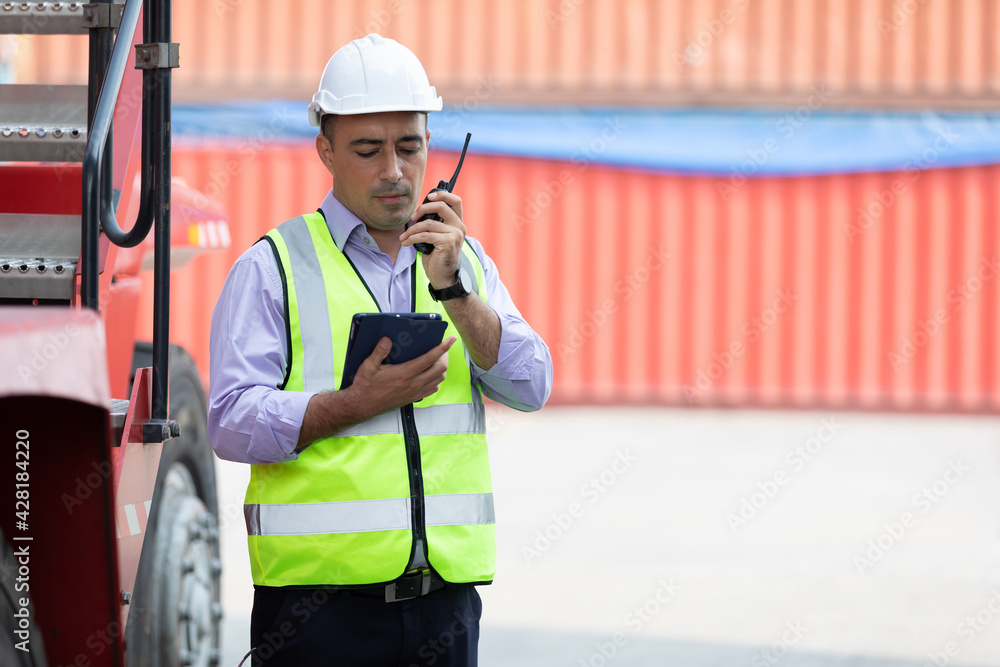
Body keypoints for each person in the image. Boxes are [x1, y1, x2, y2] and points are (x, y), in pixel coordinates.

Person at [208, 33, 553, 666]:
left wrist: (453, 290)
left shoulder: (463, 263)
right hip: (317, 615)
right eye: (368, 150)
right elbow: (229, 423)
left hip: (445, 605)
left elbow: (531, 386)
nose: (394, 171)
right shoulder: (273, 267)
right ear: (326, 151)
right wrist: (351, 404)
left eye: (409, 146)